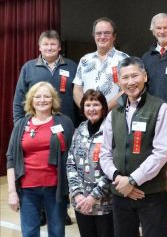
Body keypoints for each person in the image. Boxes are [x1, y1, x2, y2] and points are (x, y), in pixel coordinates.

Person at [100, 57, 167, 237]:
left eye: (135, 76)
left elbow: (161, 152)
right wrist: (119, 179)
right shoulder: (113, 113)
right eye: (125, 77)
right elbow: (105, 152)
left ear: (145, 77)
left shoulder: (160, 108)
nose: (130, 82)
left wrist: (132, 181)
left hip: (151, 194)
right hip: (121, 195)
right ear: (119, 81)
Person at [6, 82, 74, 237]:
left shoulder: (64, 122)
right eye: (37, 96)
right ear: (31, 100)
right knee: (29, 233)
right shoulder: (21, 125)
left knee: (57, 231)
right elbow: (11, 158)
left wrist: (73, 189)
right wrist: (12, 192)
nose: (42, 100)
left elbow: (73, 156)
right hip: (27, 189)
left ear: (53, 99)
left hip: (55, 189)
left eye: (46, 96)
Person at [67, 89, 113, 237]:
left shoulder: (111, 130)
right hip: (81, 203)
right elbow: (70, 163)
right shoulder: (79, 130)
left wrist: (93, 197)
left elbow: (113, 168)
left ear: (103, 107)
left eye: (96, 104)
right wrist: (77, 194)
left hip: (104, 204)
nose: (91, 109)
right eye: (87, 105)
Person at [13, 29, 78, 124]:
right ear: (40, 47)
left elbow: (79, 96)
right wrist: (19, 124)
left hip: (67, 124)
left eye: (53, 44)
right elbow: (19, 99)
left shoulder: (72, 66)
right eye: (46, 44)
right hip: (36, 126)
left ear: (59, 47)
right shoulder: (28, 67)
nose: (49, 47)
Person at [73, 17, 129, 111]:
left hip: (115, 117)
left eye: (107, 33)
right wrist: (87, 110)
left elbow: (127, 89)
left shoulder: (125, 59)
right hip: (90, 118)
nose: (102, 37)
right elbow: (77, 89)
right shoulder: (85, 60)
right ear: (94, 36)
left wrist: (104, 110)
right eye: (98, 33)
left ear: (114, 36)